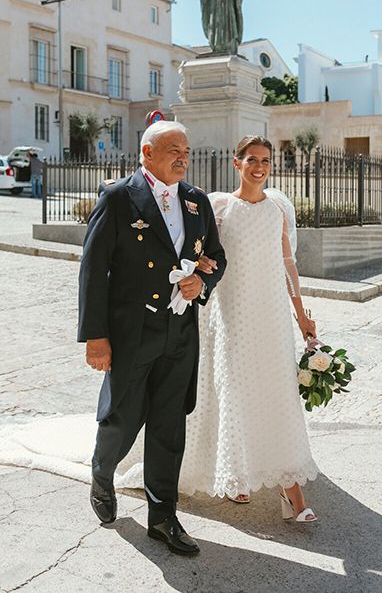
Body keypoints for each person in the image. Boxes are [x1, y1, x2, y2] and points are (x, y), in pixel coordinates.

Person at [78, 120, 226, 555]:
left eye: (186, 150)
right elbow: (93, 271)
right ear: (146, 154)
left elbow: (215, 256)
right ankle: (102, 473)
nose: (183, 157)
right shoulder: (119, 197)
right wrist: (96, 337)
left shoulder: (197, 202)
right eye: (172, 150)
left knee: (168, 426)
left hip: (180, 331)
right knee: (122, 418)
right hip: (132, 332)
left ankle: (163, 516)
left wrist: (203, 284)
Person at [179, 135, 319, 522]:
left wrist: (301, 316)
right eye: (252, 159)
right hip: (233, 311)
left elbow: (288, 266)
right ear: (237, 163)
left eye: (266, 160)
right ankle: (235, 474)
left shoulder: (277, 209)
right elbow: (199, 253)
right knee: (235, 389)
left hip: (272, 314)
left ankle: (292, 492)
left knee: (277, 391)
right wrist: (201, 268)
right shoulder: (219, 207)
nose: (260, 166)